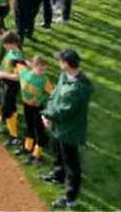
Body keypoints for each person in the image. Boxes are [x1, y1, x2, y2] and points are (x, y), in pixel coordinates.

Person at [41, 49, 94, 208]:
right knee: (57, 150)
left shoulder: (78, 88)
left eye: (60, 60)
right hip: (58, 124)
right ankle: (58, 175)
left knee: (71, 162)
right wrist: (48, 114)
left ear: (66, 64)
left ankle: (70, 196)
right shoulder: (64, 76)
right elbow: (54, 95)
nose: (58, 62)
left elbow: (65, 110)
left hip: (69, 129)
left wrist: (47, 115)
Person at [19, 55, 54, 164]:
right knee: (29, 126)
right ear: (33, 67)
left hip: (38, 107)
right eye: (40, 69)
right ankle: (28, 147)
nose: (42, 71)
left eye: (44, 69)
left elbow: (52, 93)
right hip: (26, 105)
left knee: (39, 130)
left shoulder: (44, 80)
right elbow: (19, 65)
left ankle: (36, 155)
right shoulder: (25, 73)